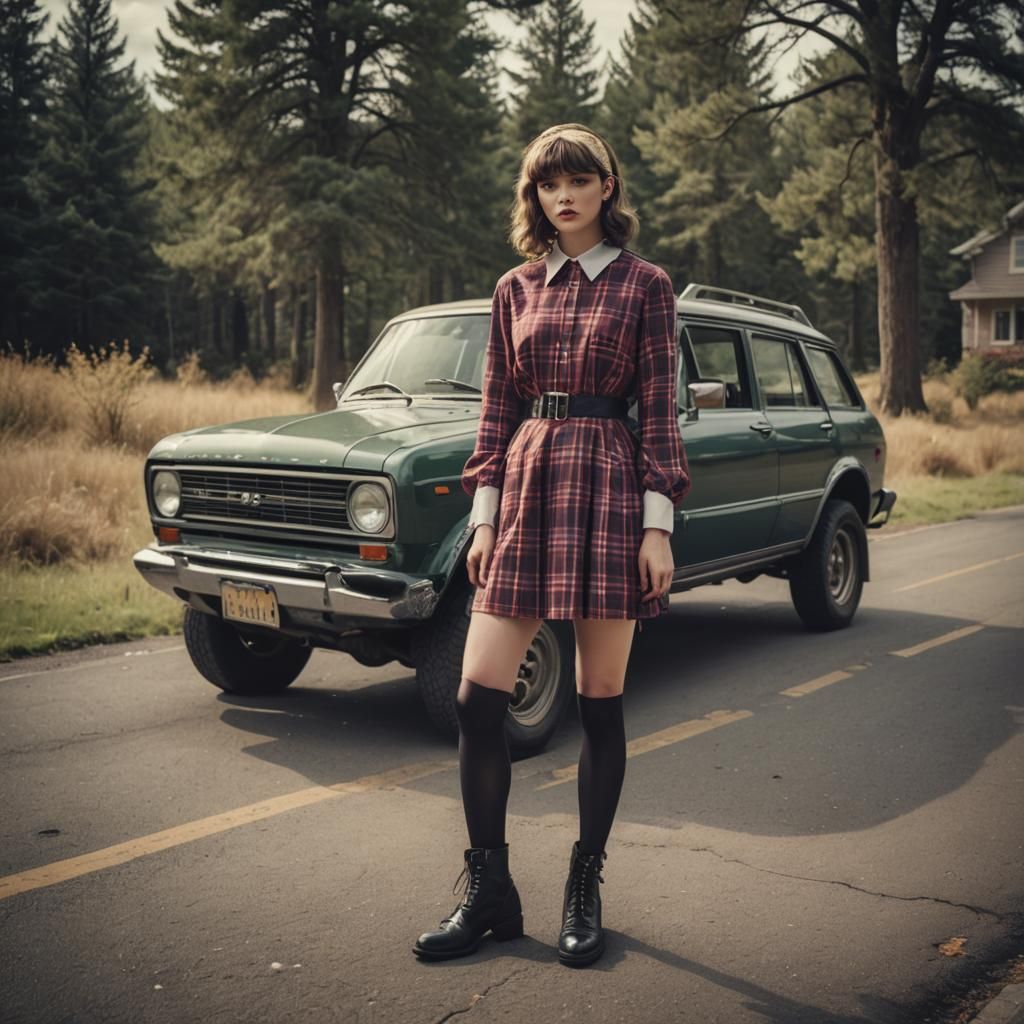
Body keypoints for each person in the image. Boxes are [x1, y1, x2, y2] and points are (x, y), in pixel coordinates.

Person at [413, 123, 691, 968]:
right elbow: (495, 414)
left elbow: (661, 416)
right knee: (475, 699)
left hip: (610, 486)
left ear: (608, 188)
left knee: (599, 703)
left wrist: (657, 525)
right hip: (528, 486)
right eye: (546, 183)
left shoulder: (646, 285)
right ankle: (489, 888)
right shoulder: (514, 289)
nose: (562, 194)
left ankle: (584, 882)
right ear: (534, 197)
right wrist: (485, 518)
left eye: (578, 179)